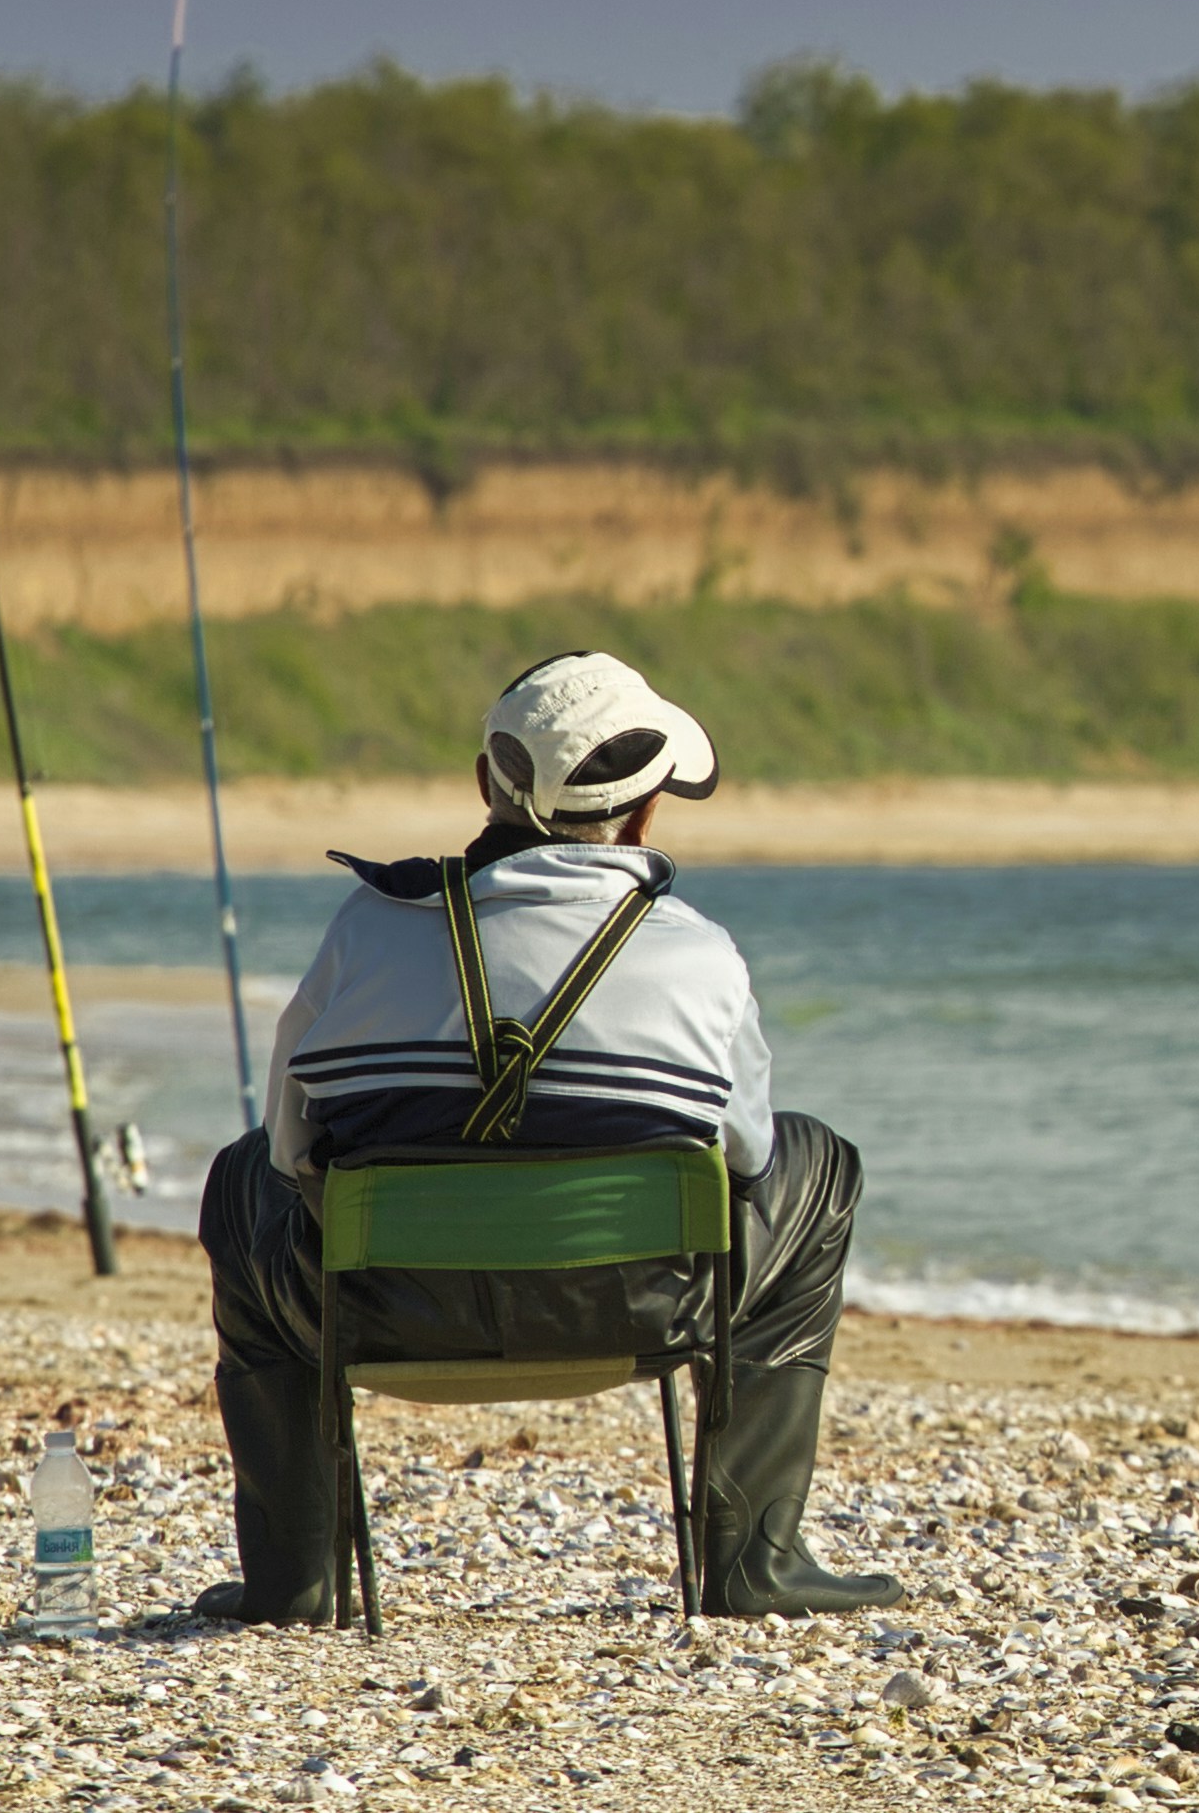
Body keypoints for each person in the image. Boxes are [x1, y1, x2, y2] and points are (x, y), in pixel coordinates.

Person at [192, 649, 901, 1623]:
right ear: (648, 812)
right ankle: (755, 1556)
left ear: (489, 783)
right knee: (817, 1162)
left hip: (383, 1310)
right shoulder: (698, 951)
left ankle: (295, 1574)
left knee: (240, 1178)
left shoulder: (366, 930)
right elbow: (745, 1156)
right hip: (644, 1303)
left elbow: (287, 1149)